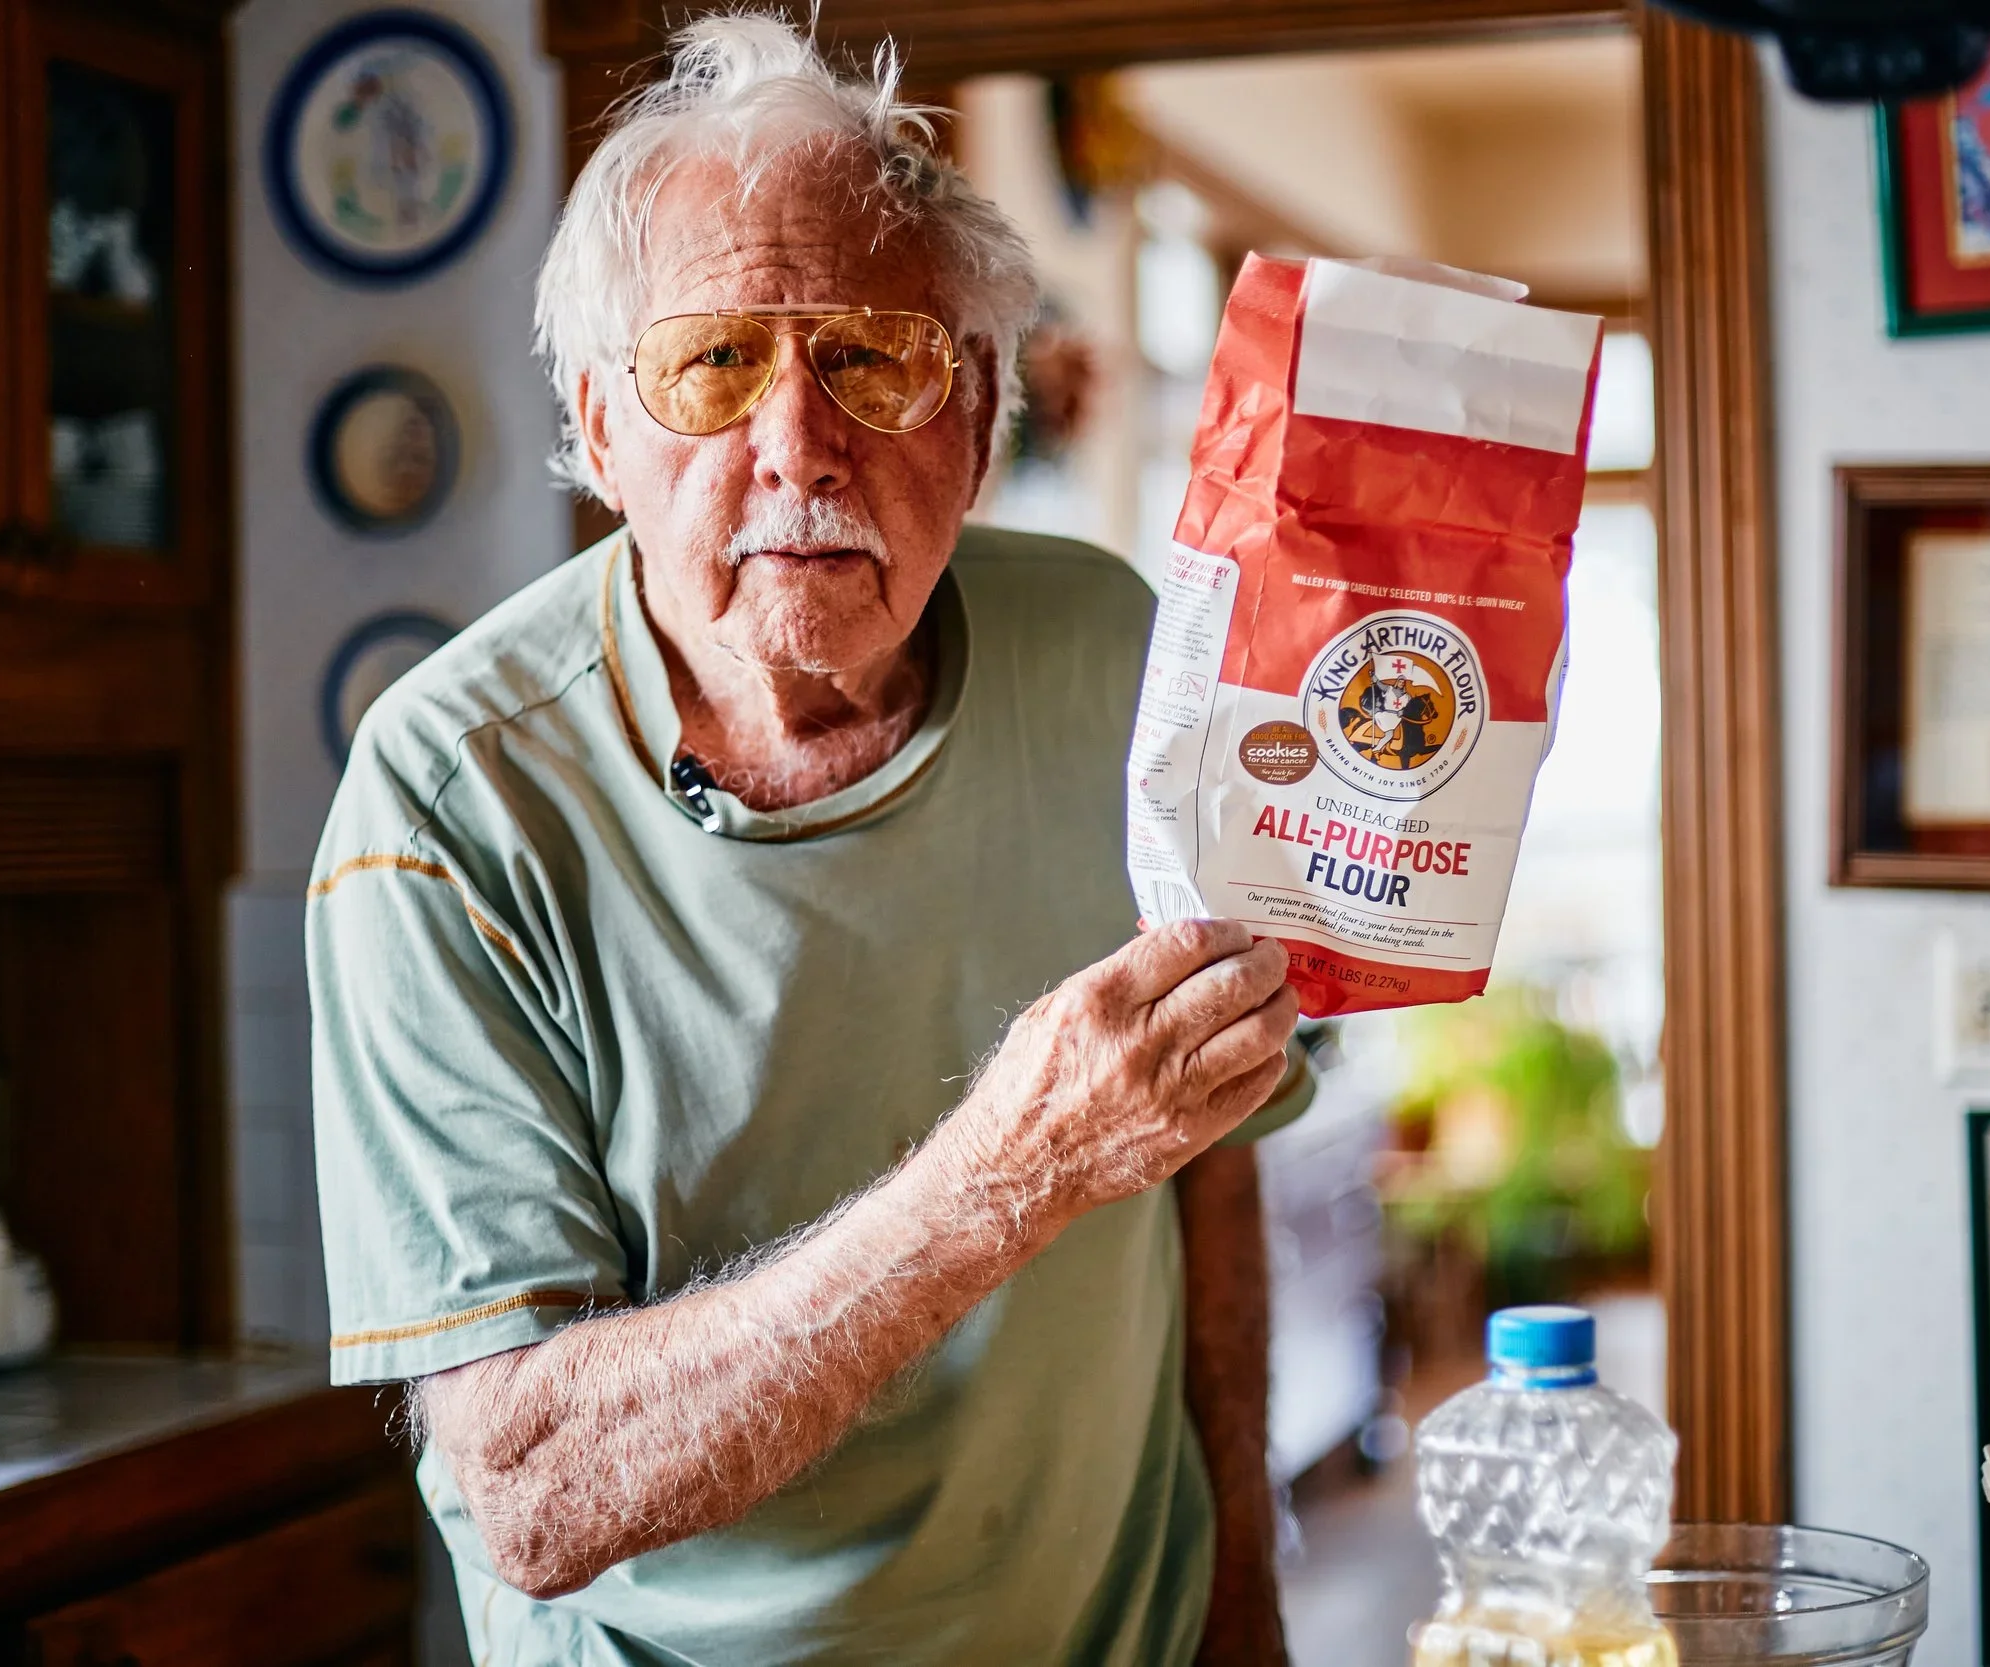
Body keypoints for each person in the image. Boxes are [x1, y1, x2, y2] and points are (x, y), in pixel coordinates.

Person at [306, 15, 1306, 1665]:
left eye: (874, 358)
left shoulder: (1129, 656)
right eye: (712, 364)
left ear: (978, 419)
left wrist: (1249, 1600)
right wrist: (1009, 1172)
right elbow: (532, 1493)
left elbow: (1218, 1166)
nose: (796, 444)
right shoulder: (442, 800)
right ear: (602, 428)